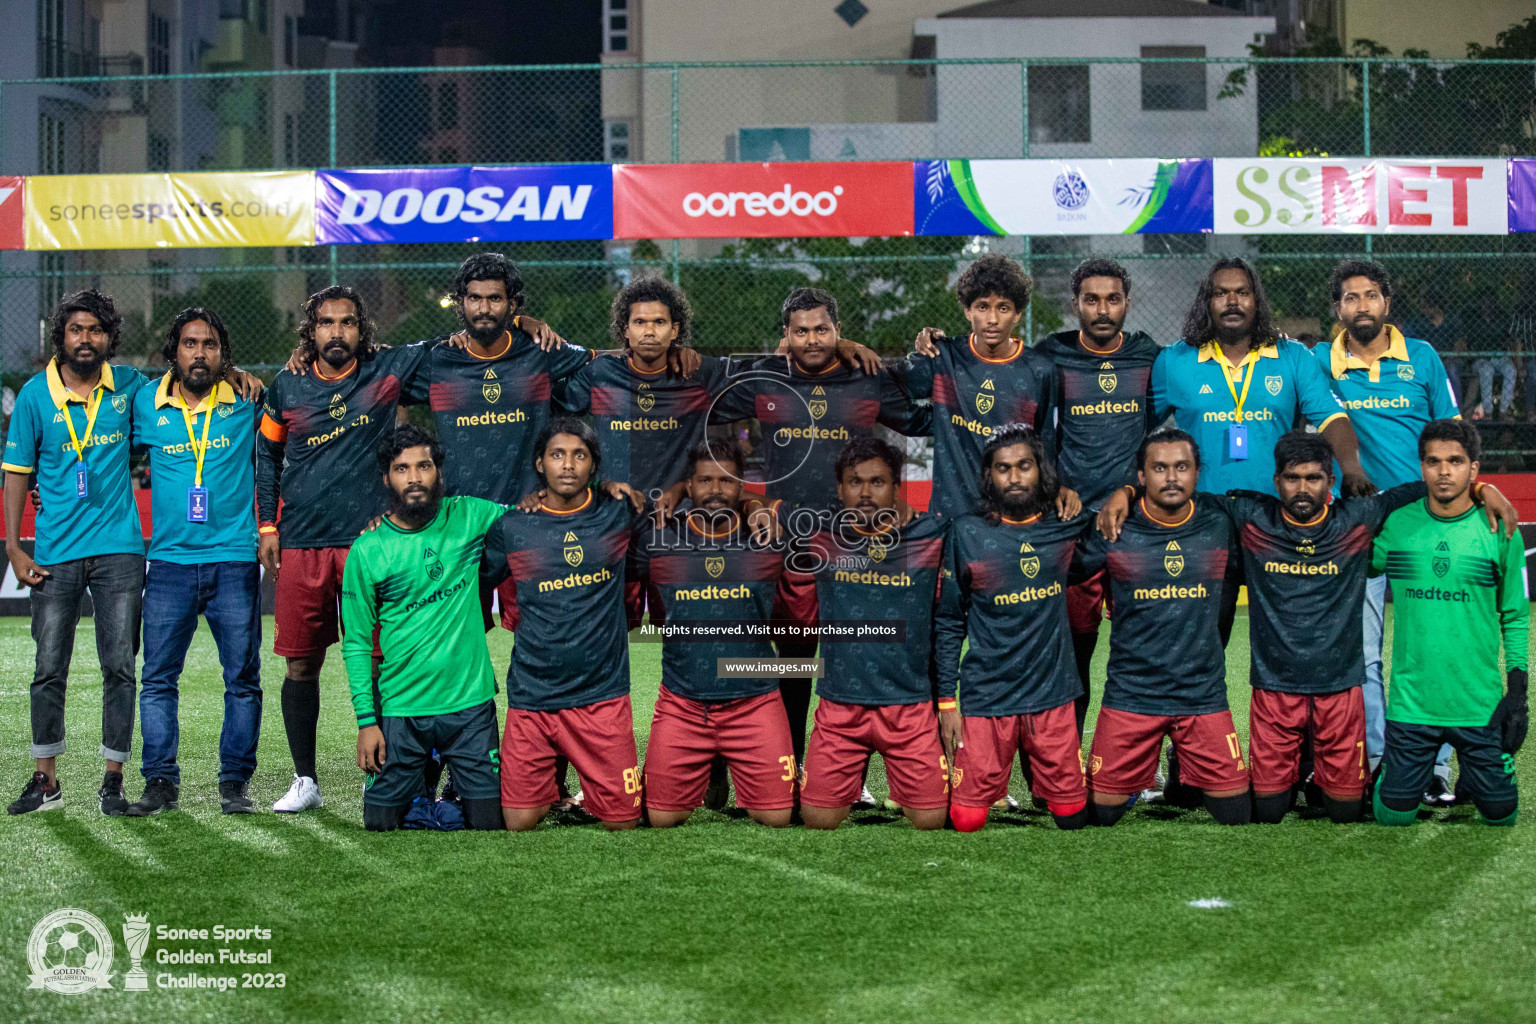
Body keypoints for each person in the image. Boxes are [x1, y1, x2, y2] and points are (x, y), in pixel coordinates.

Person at [3, 290, 257, 816]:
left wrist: (235, 373)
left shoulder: (134, 391)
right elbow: (17, 473)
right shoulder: (43, 396)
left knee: (125, 668)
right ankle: (50, 778)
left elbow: (209, 390)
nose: (86, 339)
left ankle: (123, 781)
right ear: (62, 336)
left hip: (133, 551)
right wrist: (12, 544)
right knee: (52, 667)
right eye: (76, 330)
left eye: (96, 330)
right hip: (67, 552)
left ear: (109, 338)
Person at [708, 287, 930, 775]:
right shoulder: (765, 379)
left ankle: (855, 774)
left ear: (838, 330)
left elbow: (923, 422)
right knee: (791, 662)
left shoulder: (867, 378)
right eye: (801, 330)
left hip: (858, 542)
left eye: (822, 329)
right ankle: (784, 768)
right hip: (787, 541)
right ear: (785, 336)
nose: (813, 339)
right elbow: (695, 399)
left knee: (857, 660)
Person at [257, 285, 433, 813]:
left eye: (348, 323)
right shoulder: (286, 385)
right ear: (310, 331)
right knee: (300, 665)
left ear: (363, 329)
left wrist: (528, 323)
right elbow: (265, 458)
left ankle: (381, 773)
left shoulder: (386, 372)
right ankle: (305, 780)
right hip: (303, 542)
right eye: (327, 323)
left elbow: (458, 343)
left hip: (369, 545)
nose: (337, 332)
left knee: (383, 662)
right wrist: (268, 527)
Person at [1317, 259, 1464, 799]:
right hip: (1358, 530)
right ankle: (1381, 759)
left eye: (1370, 295)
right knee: (1367, 652)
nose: (1361, 305)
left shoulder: (1422, 357)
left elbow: (1452, 433)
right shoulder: (1319, 362)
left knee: (1430, 646)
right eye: (1350, 297)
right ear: (1338, 308)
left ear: (1387, 302)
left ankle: (1439, 765)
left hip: (1427, 526)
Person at [125, 308, 264, 816]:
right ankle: (160, 782)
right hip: (168, 564)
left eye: (209, 344)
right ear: (174, 351)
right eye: (189, 343)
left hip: (234, 561)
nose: (199, 352)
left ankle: (234, 783)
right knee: (158, 677)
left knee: (242, 678)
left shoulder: (248, 399)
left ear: (223, 353)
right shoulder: (146, 401)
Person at [483, 418, 651, 831]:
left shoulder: (618, 514)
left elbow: (660, 542)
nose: (568, 465)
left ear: (594, 465)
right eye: (557, 455)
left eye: (580, 455)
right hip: (533, 695)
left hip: (601, 694)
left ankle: (606, 788)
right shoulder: (513, 526)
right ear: (540, 464)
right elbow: (474, 579)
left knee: (623, 822)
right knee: (519, 821)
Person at [776, 437, 950, 831]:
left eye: (878, 482)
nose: (866, 492)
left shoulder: (930, 534)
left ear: (895, 488)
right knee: (818, 819)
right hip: (840, 706)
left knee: (932, 820)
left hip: (908, 706)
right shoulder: (819, 532)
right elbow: (757, 502)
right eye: (855, 482)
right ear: (840, 489)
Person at [1079, 428, 1250, 826]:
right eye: (1159, 468)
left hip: (1201, 695)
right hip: (1132, 695)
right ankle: (1139, 772)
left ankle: (1179, 765)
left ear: (1197, 472)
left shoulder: (1220, 519)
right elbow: (1063, 569)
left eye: (1181, 467)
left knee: (1236, 815)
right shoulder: (1113, 525)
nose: (1171, 478)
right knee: (1099, 815)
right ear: (1140, 476)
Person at [342, 426, 506, 832]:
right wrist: (367, 722)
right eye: (401, 469)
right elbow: (358, 644)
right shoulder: (367, 549)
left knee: (489, 821)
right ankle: (423, 781)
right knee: (379, 823)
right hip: (402, 711)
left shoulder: (470, 515)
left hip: (469, 705)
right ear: (387, 478)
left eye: (423, 466)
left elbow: (537, 521)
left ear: (439, 473)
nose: (414, 477)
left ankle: (452, 789)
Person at [630, 439, 795, 828]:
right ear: (688, 487)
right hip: (683, 702)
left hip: (754, 701)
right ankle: (710, 761)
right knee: (660, 819)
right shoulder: (661, 537)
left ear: (742, 486)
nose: (716, 490)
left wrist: (758, 505)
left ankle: (727, 760)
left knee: (775, 818)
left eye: (727, 481)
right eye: (705, 481)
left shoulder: (769, 534)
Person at [935, 424, 1092, 831]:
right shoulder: (967, 533)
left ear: (1040, 470)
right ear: (989, 476)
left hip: (1052, 693)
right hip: (989, 694)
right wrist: (946, 702)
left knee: (1072, 818)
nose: (1015, 477)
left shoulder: (1065, 524)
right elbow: (950, 620)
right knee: (966, 820)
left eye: (1024, 466)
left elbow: (1110, 536)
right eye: (1003, 469)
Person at [1372, 420, 1527, 827]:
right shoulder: (1396, 527)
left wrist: (1518, 693)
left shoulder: (1499, 529)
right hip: (1412, 704)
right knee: (1392, 816)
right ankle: (1399, 774)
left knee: (1501, 814)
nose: (1444, 471)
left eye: (1456, 462)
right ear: (1421, 467)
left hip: (1479, 705)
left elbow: (1514, 615)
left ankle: (1476, 778)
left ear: (1474, 470)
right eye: (1434, 461)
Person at [1032, 258, 1162, 723]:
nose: (1102, 309)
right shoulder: (1052, 355)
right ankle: (1066, 767)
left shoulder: (1149, 355)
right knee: (1074, 656)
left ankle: (1137, 770)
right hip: (1073, 527)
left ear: (1127, 303)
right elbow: (1030, 426)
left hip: (1137, 525)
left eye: (1112, 299)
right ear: (1076, 305)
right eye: (1092, 300)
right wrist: (1054, 484)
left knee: (1144, 654)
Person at [1151, 257, 1370, 500]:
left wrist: (1352, 469)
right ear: (1207, 303)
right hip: (1203, 512)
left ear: (1256, 302)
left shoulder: (1293, 356)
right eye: (1221, 293)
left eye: (1242, 292)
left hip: (1275, 512)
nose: (1232, 302)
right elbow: (1134, 428)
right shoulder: (1174, 361)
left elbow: (1332, 418)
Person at [903, 254, 1061, 520]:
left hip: (1013, 518)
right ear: (968, 310)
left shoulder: (1040, 370)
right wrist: (933, 420)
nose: (992, 319)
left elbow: (1045, 447)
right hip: (950, 514)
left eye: (1003, 307)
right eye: (982, 306)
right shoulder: (943, 357)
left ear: (1018, 313)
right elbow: (885, 391)